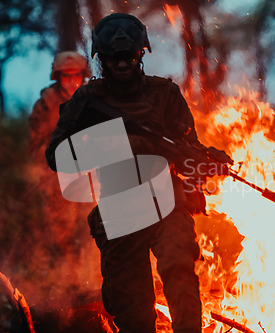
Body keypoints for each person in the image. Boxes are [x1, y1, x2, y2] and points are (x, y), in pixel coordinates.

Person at [45, 14, 203, 333]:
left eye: (128, 57)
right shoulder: (88, 100)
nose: (121, 64)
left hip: (167, 202)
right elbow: (56, 155)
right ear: (100, 59)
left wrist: (202, 164)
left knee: (179, 270)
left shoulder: (165, 94)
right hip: (119, 207)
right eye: (112, 58)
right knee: (133, 310)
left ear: (141, 54)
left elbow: (189, 150)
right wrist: (123, 144)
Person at [27, 52, 90, 263]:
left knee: (95, 230)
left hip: (92, 174)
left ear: (84, 75)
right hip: (57, 177)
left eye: (76, 76)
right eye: (66, 76)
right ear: (58, 77)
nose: (72, 82)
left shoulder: (93, 98)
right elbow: (35, 147)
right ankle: (65, 276)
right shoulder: (45, 105)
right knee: (61, 235)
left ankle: (92, 270)